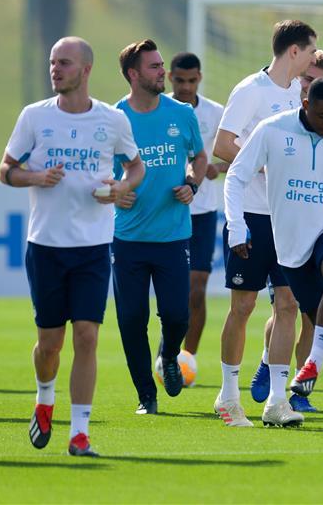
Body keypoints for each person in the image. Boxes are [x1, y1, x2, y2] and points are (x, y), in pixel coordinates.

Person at [1, 36, 143, 457]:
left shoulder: (112, 120)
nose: (54, 69)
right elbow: (6, 169)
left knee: (86, 336)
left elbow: (135, 167)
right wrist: (34, 177)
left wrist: (121, 186)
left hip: (94, 247)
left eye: (63, 63)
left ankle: (79, 433)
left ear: (85, 69)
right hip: (45, 245)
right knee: (50, 345)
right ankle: (45, 398)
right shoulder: (34, 117)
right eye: (51, 62)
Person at [226, 78, 323, 426]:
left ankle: (311, 361)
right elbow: (235, 177)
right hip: (290, 244)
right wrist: (236, 225)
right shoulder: (272, 130)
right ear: (305, 105)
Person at [211, 20, 316, 427]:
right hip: (252, 215)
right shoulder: (251, 90)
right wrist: (261, 165)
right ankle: (229, 395)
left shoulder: (295, 93)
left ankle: (276, 400)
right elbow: (223, 144)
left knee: (288, 304)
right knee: (244, 306)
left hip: (288, 218)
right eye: (308, 52)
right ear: (293, 51)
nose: (311, 60)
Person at [113, 39, 207, 415]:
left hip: (173, 235)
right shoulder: (113, 117)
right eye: (154, 67)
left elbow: (199, 156)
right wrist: (114, 191)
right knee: (131, 319)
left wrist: (192, 183)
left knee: (178, 315)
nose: (162, 73)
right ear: (134, 74)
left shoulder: (181, 113)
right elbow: (100, 167)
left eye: (161, 64)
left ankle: (169, 355)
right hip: (129, 237)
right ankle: (145, 396)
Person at [168, 51, 226, 369]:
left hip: (203, 211)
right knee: (172, 288)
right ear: (170, 79)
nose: (186, 87)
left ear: (199, 78)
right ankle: (170, 349)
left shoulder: (216, 113)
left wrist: (217, 167)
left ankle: (187, 358)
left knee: (197, 287)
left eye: (191, 80)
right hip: (168, 210)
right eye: (180, 80)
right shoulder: (160, 110)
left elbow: (236, 153)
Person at [288, 49, 323, 413]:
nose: (311, 85)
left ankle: (299, 393)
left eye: (318, 81)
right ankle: (268, 367)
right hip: (279, 222)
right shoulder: (278, 112)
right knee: (285, 306)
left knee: (309, 313)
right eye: (308, 78)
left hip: (317, 226)